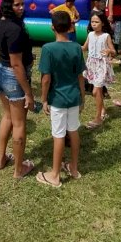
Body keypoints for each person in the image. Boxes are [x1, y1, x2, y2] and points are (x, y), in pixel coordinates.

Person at [37, 11, 86, 188]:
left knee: (58, 135)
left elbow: (46, 78)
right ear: (70, 27)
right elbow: (80, 76)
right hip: (74, 97)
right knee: (73, 131)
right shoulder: (76, 47)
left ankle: (55, 174)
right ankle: (73, 168)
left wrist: (43, 99)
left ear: (52, 27)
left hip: (57, 98)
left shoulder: (48, 49)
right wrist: (82, 97)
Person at [0, 0, 36, 178]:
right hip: (13, 75)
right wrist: (28, 91)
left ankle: (1, 159)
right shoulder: (15, 29)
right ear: (8, 6)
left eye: (22, 4)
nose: (21, 8)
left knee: (7, 117)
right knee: (19, 123)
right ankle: (19, 169)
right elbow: (17, 64)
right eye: (17, 5)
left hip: (0, 72)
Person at [83, 12, 117, 129]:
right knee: (96, 91)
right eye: (92, 22)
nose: (94, 24)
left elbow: (114, 51)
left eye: (96, 22)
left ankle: (98, 118)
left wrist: (109, 52)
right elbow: (84, 47)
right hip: (91, 65)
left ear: (102, 23)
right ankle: (102, 110)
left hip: (102, 66)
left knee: (95, 92)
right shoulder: (90, 34)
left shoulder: (106, 36)